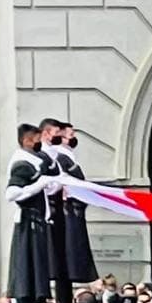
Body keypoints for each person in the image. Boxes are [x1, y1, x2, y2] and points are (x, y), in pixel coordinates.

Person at [5, 123, 57, 303]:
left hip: (38, 223)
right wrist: (38, 184)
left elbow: (54, 175)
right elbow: (12, 193)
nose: (41, 143)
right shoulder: (22, 164)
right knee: (26, 271)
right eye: (37, 138)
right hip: (28, 222)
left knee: (36, 270)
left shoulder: (37, 162)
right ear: (28, 140)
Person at [51, 122, 99, 291]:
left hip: (72, 208)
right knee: (67, 256)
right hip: (67, 210)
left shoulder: (68, 157)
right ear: (62, 138)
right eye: (71, 136)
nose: (74, 139)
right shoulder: (60, 158)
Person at [39, 118, 74, 303]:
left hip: (59, 211)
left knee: (62, 258)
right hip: (45, 210)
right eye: (56, 134)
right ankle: (42, 302)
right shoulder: (41, 156)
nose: (59, 138)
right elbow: (51, 184)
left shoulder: (58, 155)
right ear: (46, 133)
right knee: (45, 258)